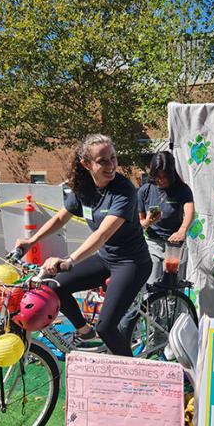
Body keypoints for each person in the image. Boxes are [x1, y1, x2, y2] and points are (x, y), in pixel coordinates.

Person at [16, 134, 151, 357]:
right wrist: (31, 241)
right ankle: (84, 331)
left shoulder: (124, 190)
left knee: (106, 327)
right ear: (86, 164)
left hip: (132, 262)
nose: (111, 165)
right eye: (102, 161)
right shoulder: (83, 188)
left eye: (113, 158)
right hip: (106, 258)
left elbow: (102, 234)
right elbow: (60, 219)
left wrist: (70, 260)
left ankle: (131, 377)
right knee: (52, 287)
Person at [138, 151, 195, 282]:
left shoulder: (182, 189)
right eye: (157, 176)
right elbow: (139, 223)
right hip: (153, 243)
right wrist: (147, 222)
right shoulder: (145, 190)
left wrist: (182, 230)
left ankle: (176, 302)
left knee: (173, 288)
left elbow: (190, 211)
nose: (161, 180)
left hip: (175, 245)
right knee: (152, 285)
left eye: (165, 176)